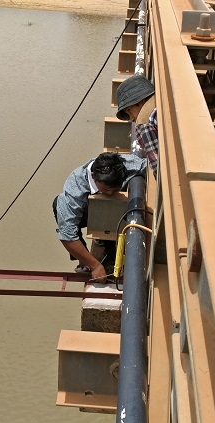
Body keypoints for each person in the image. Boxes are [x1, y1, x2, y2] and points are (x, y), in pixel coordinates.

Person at [53, 152, 147, 282]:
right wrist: (95, 266)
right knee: (57, 204)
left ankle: (112, 254)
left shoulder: (127, 165)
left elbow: (153, 166)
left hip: (115, 212)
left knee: (109, 207)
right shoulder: (76, 188)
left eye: (115, 189)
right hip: (87, 211)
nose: (111, 193)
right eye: (107, 189)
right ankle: (85, 261)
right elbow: (67, 235)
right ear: (93, 176)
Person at [116, 75, 159, 178]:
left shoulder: (143, 124)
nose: (131, 118)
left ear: (141, 101)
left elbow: (157, 166)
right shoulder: (162, 100)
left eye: (129, 111)